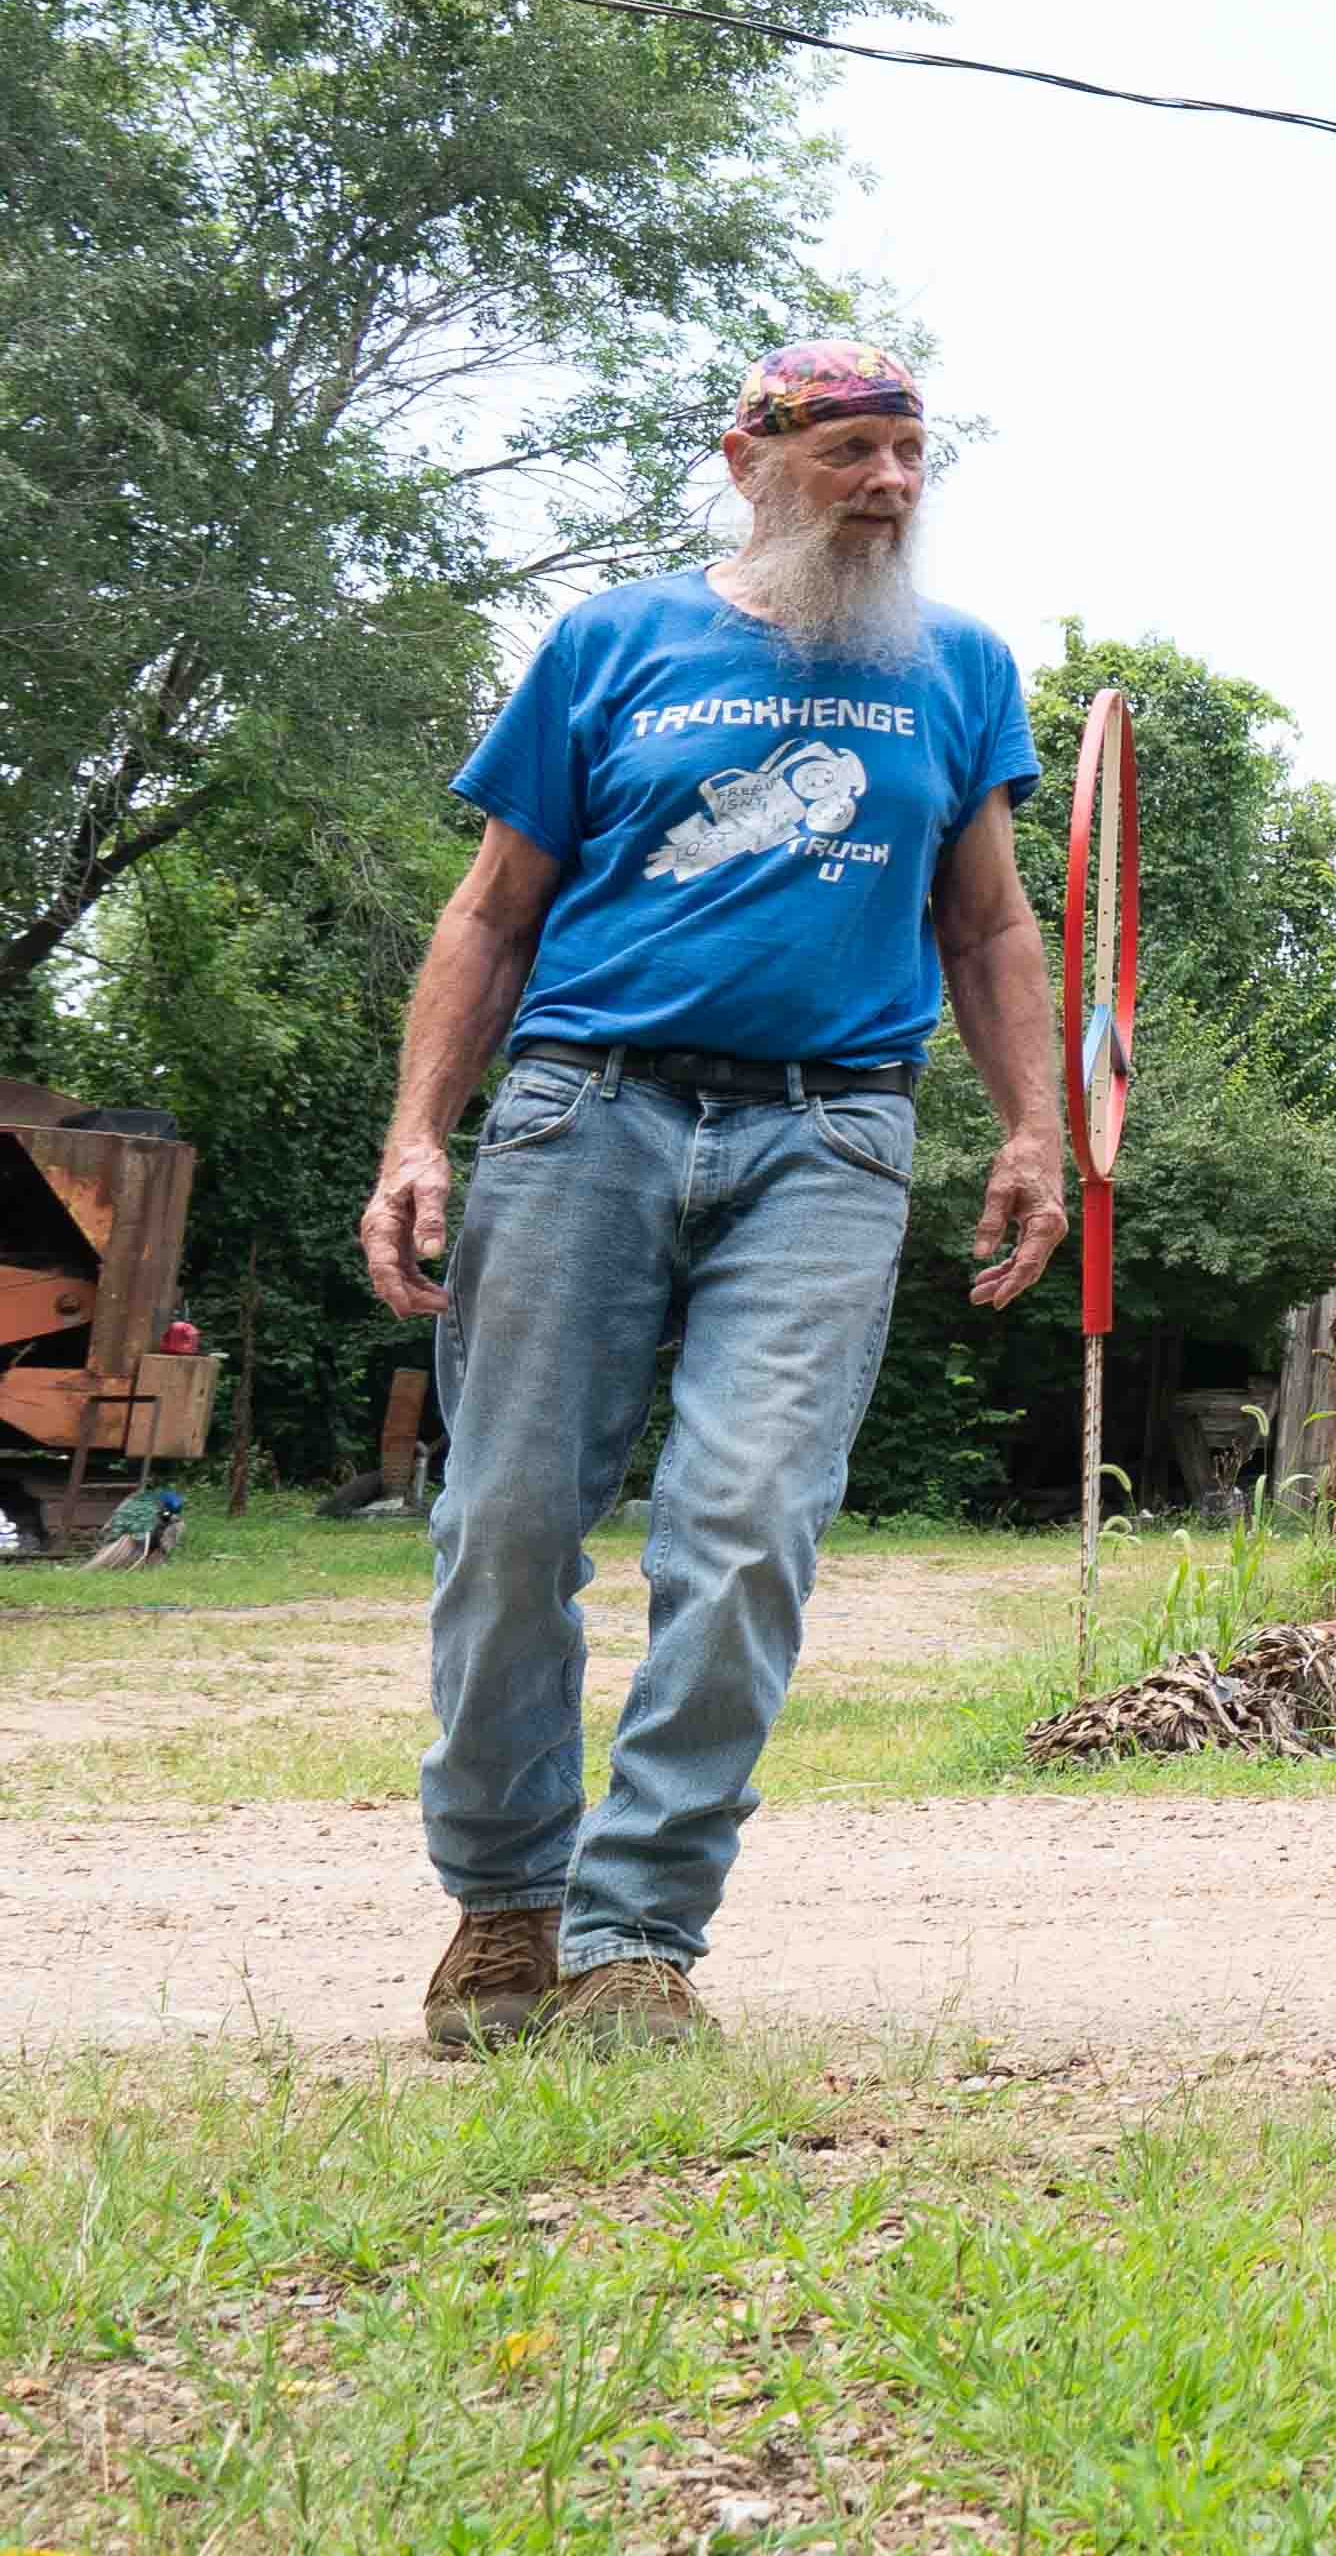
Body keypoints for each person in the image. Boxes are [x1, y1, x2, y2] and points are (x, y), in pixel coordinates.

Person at [359, 339, 1066, 2051]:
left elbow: (984, 924)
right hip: (582, 1112)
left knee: (748, 1531)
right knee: (512, 1526)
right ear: (750, 457)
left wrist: (1035, 1132)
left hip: (831, 1138)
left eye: (913, 455)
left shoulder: (958, 670)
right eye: (853, 453)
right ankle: (509, 1912)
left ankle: (634, 1943)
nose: (892, 484)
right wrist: (416, 1134)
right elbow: (491, 914)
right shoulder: (614, 643)